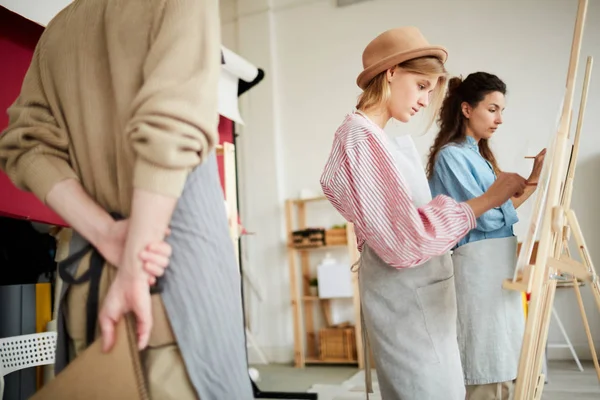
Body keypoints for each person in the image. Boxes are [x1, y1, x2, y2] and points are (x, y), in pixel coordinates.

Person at [0, 0, 253, 399]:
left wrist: (104, 232)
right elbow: (172, 124)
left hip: (90, 280)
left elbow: (24, 147)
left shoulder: (60, 29)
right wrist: (135, 264)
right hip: (171, 277)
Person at [320, 27, 529, 400]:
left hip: (417, 300)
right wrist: (486, 200)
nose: (424, 100)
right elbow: (405, 242)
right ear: (391, 73)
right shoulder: (360, 138)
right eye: (420, 86)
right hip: (406, 301)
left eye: (429, 91)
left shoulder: (376, 138)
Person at [426, 72, 545, 400]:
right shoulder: (451, 156)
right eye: (492, 109)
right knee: (485, 359)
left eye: (501, 110)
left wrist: (533, 179)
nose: (500, 119)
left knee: (505, 356)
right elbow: (490, 215)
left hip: (497, 263)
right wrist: (505, 200)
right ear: (466, 109)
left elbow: (497, 211)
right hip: (477, 268)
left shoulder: (479, 156)